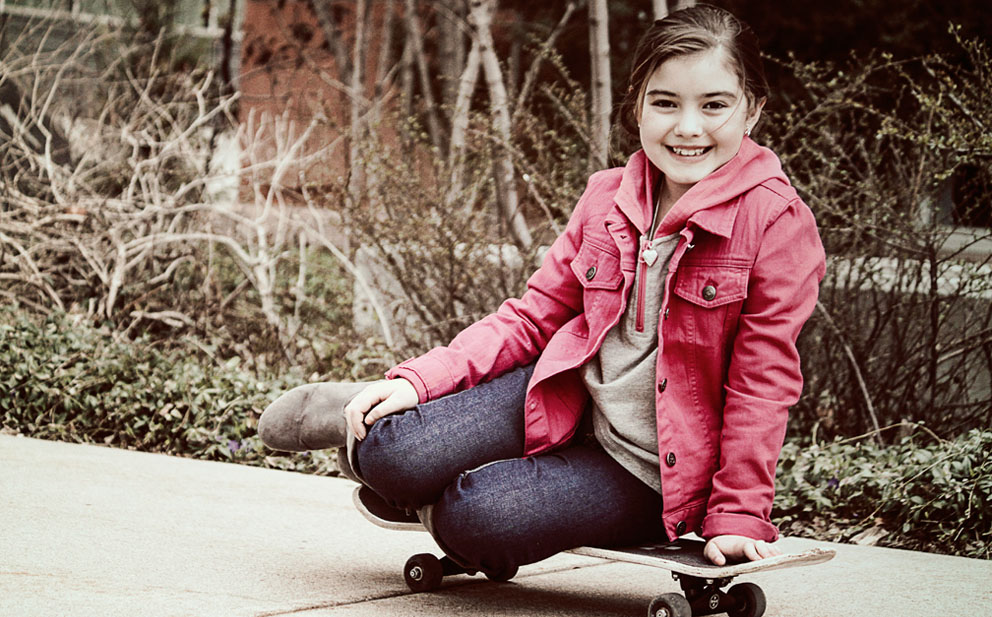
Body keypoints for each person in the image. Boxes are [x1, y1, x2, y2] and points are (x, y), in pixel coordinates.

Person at [258, 4, 825, 579]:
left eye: (714, 105)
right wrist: (421, 380)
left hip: (646, 472)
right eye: (665, 102)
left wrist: (737, 515)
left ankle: (451, 458)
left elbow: (761, 384)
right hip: (561, 394)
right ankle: (394, 410)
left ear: (751, 109)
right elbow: (533, 316)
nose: (687, 127)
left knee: (476, 516)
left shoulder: (777, 225)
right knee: (389, 454)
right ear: (637, 105)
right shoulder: (608, 196)